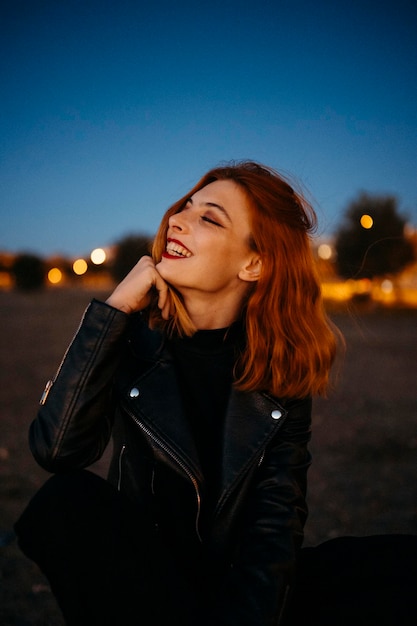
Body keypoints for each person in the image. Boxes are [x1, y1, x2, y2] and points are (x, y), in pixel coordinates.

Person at [15, 161, 338, 625]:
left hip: (230, 582)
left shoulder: (278, 374)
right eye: (185, 207)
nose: (176, 220)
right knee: (64, 502)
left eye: (209, 217)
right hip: (142, 576)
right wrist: (116, 310)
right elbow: (57, 450)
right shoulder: (133, 343)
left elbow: (274, 526)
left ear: (254, 263)